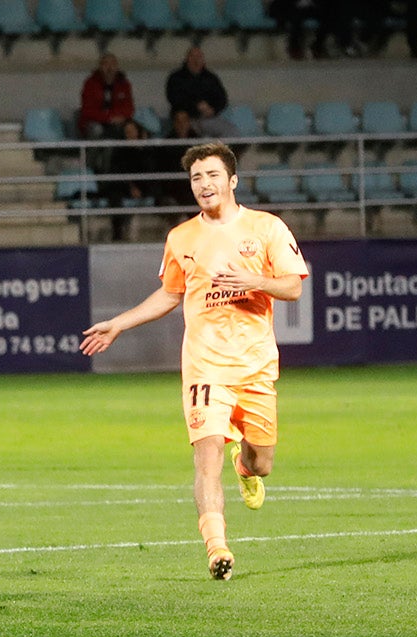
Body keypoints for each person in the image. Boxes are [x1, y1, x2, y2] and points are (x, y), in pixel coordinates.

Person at [80, 142, 308, 581]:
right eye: (196, 178)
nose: (204, 185)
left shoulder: (266, 228)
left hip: (256, 366)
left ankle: (245, 467)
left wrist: (253, 280)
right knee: (206, 459)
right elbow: (170, 292)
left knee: (263, 463)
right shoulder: (181, 237)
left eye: (212, 176)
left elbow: (292, 287)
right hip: (205, 368)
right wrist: (120, 324)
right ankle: (217, 548)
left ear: (232, 180)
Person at [164, 47, 236, 139]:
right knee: (181, 120)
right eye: (193, 57)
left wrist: (212, 109)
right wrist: (196, 106)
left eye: (199, 57)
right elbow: (174, 99)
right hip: (187, 118)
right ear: (187, 58)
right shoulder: (176, 78)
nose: (196, 60)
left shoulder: (211, 78)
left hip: (208, 118)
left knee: (231, 131)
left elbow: (222, 99)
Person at [78, 52, 134, 140]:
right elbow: (87, 110)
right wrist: (109, 118)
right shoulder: (90, 84)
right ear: (100, 67)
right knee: (97, 130)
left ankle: (124, 153)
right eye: (106, 64)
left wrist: (118, 118)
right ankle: (94, 154)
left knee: (131, 128)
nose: (109, 67)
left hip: (116, 121)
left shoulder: (124, 84)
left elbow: (129, 108)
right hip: (94, 121)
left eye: (113, 64)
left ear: (117, 67)